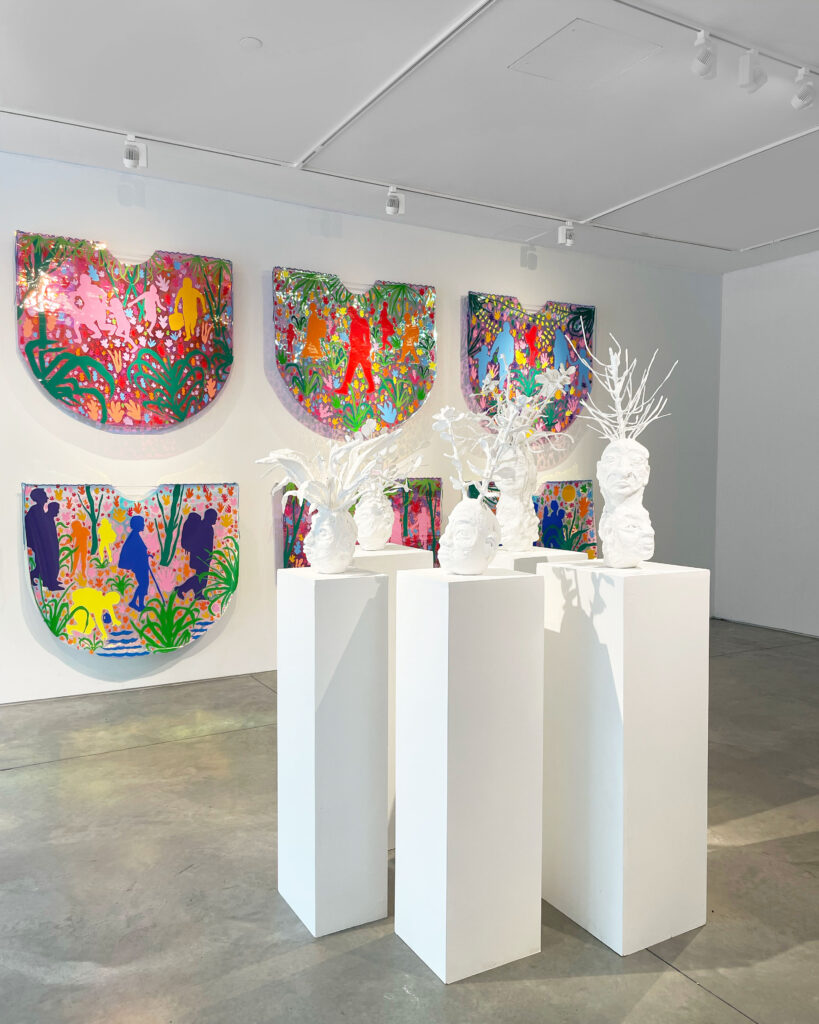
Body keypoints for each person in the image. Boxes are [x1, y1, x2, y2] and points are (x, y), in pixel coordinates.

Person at [25, 489, 63, 591]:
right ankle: (50, 583)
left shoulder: (40, 510)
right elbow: (32, 527)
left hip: (45, 543)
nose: (47, 498)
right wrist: (36, 543)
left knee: (42, 563)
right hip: (41, 543)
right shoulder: (35, 510)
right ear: (39, 497)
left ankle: (49, 580)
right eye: (44, 495)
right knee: (45, 562)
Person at [176, 509, 217, 600]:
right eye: (214, 517)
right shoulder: (206, 527)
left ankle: (197, 594)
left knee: (200, 577)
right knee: (201, 578)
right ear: (209, 517)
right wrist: (208, 556)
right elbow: (204, 544)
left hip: (199, 556)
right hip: (201, 557)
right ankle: (182, 589)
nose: (215, 520)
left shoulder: (204, 526)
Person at [336, 307, 375, 395]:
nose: (350, 316)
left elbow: (367, 336)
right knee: (351, 369)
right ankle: (344, 388)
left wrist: (367, 348)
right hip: (355, 350)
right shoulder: (353, 323)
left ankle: (372, 386)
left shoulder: (362, 321)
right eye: (349, 314)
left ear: (354, 313)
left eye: (350, 314)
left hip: (361, 349)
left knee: (366, 368)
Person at [118, 515, 150, 611]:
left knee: (143, 584)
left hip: (141, 565)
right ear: (138, 525)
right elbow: (135, 552)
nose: (144, 525)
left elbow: (139, 551)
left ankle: (135, 602)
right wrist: (143, 557)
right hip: (139, 566)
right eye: (142, 523)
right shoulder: (134, 537)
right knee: (143, 584)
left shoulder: (135, 536)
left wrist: (146, 556)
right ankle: (140, 604)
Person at [172, 277, 206, 341]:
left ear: (190, 284)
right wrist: (175, 307)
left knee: (193, 322)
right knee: (187, 323)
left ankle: (192, 328)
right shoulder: (182, 290)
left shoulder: (193, 291)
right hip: (186, 311)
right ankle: (188, 335)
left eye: (188, 283)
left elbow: (201, 297)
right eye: (185, 284)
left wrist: (204, 307)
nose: (186, 285)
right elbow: (177, 299)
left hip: (193, 311)